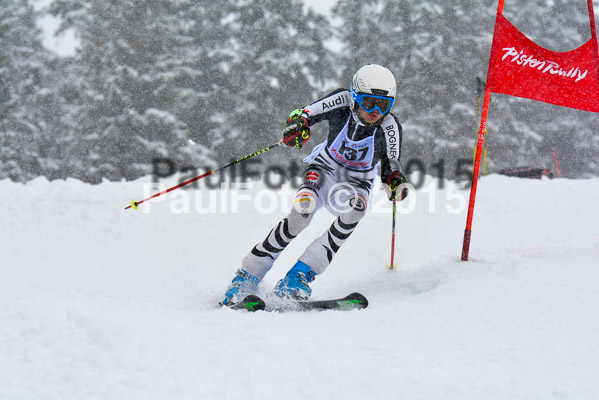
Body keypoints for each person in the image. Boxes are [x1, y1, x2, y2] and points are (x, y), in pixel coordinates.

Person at [220, 64, 408, 306]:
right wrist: (297, 127)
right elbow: (303, 114)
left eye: (384, 105)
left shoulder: (390, 127)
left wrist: (394, 181)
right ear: (355, 96)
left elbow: (391, 165)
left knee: (356, 210)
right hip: (324, 169)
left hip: (356, 182)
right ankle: (248, 275)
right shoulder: (341, 100)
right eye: (368, 102)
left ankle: (298, 277)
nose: (375, 111)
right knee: (302, 212)